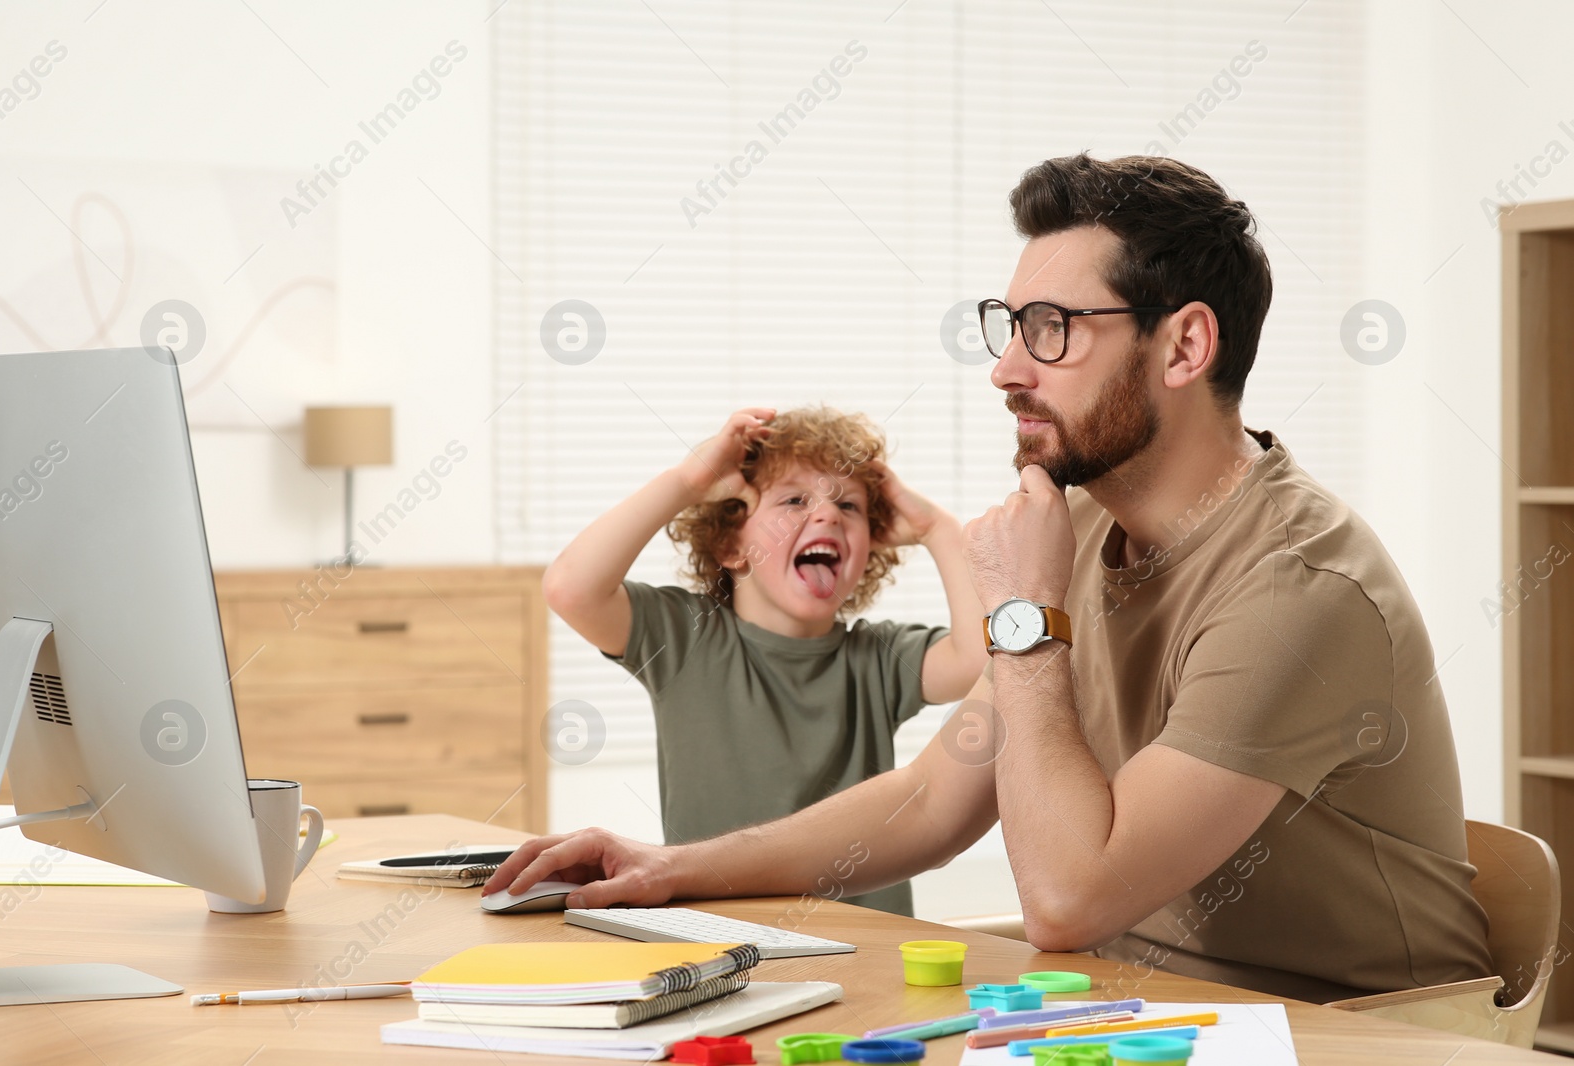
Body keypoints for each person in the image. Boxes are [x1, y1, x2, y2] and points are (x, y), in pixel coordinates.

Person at [487, 154, 1492, 1001]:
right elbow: (934, 795)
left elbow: (1066, 899)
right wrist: (671, 868)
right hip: (1151, 1003)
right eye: (1006, 325)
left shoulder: (1296, 585)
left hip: (1357, 1035)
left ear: (1184, 344)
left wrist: (1023, 616)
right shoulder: (1085, 519)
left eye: (1050, 327)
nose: (1008, 368)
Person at [538, 405, 988, 915]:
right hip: (722, 938)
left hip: (871, 945)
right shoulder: (684, 638)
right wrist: (688, 481)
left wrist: (937, 528)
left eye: (850, 507)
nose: (826, 515)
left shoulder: (878, 658)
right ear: (732, 545)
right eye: (794, 500)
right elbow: (570, 588)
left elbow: (983, 661)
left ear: (869, 552)